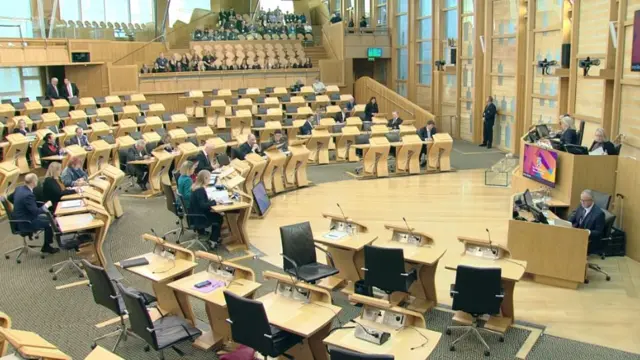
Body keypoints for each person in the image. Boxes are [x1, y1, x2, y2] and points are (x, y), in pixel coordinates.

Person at [10, 174, 57, 254]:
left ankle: (50, 241)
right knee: (50, 223)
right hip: (26, 222)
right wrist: (46, 205)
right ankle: (47, 247)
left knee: (50, 218)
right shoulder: (28, 195)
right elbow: (36, 212)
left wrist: (20, 207)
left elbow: (9, 198)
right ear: (33, 182)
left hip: (18, 219)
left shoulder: (19, 188)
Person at [189, 170, 224, 248]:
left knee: (217, 215)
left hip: (195, 214)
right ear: (205, 178)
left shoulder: (195, 187)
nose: (209, 180)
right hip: (200, 217)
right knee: (219, 218)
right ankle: (213, 240)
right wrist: (214, 202)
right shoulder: (200, 190)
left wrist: (210, 201)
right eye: (209, 178)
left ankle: (215, 238)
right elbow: (203, 205)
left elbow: (202, 202)